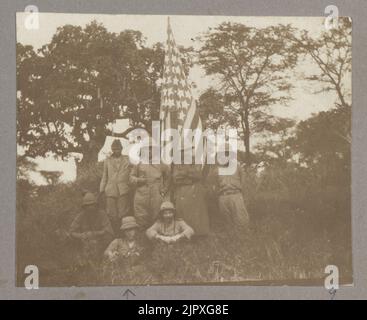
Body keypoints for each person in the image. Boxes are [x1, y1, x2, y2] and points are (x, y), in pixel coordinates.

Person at [129, 143, 170, 229]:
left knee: (156, 216)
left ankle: (156, 238)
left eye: (152, 149)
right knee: (141, 217)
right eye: (147, 149)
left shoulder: (160, 163)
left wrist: (164, 190)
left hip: (156, 193)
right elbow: (131, 178)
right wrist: (139, 180)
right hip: (142, 193)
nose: (150, 151)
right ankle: (142, 239)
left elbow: (168, 176)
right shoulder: (138, 164)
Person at [172, 147, 210, 236]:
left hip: (195, 191)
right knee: (182, 215)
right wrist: (189, 178)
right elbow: (175, 179)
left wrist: (184, 173)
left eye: (187, 151)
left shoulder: (196, 161)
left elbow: (198, 175)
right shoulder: (177, 164)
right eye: (182, 151)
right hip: (181, 191)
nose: (185, 153)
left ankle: (199, 235)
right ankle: (184, 236)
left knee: (196, 215)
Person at [69, 192, 114, 264]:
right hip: (85, 240)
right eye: (87, 205)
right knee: (71, 240)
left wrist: (94, 234)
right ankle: (80, 259)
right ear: (84, 207)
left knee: (108, 237)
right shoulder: (81, 215)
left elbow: (108, 230)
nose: (90, 207)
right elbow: (71, 231)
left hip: (100, 240)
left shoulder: (102, 214)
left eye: (92, 205)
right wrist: (81, 235)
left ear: (96, 205)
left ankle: (103, 256)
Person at [100, 139, 131, 234]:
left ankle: (122, 233)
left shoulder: (127, 159)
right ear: (112, 149)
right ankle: (113, 233)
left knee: (123, 213)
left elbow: (132, 173)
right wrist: (101, 190)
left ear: (121, 149)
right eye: (114, 149)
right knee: (111, 214)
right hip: (110, 190)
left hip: (123, 190)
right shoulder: (107, 161)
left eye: (118, 149)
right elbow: (104, 176)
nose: (116, 151)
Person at [215, 152, 250, 228]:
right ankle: (230, 238)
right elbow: (215, 185)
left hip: (236, 195)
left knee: (242, 221)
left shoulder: (238, 168)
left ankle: (242, 237)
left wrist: (243, 197)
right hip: (223, 196)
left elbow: (244, 183)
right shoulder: (217, 170)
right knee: (226, 223)